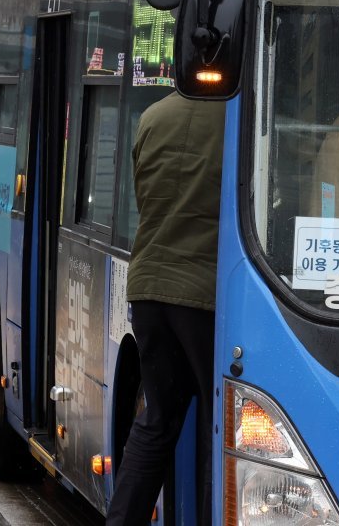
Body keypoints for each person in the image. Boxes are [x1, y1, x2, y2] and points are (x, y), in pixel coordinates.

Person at [106, 91, 224, 526]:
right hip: (203, 296)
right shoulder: (238, 120)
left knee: (157, 419)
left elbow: (145, 197)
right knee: (221, 426)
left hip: (149, 288)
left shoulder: (152, 116)